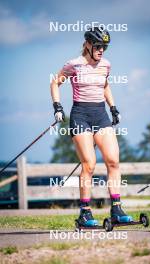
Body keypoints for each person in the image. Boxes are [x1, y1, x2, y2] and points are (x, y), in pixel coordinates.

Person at [50, 27, 133, 227]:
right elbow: (55, 83)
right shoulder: (74, 64)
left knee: (113, 161)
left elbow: (105, 85)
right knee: (89, 164)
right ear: (87, 44)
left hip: (101, 114)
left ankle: (116, 209)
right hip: (80, 116)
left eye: (104, 46)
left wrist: (113, 108)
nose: (101, 49)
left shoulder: (106, 65)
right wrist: (57, 106)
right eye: (98, 45)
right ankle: (85, 213)